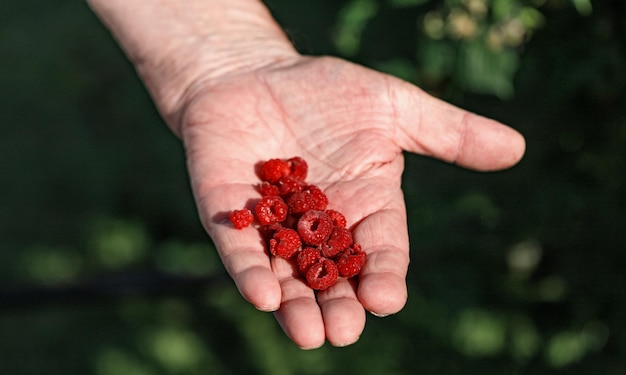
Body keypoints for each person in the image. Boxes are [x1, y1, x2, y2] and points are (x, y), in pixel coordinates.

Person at [86, 0, 525, 349]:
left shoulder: (309, 221)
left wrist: (229, 57)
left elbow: (306, 225)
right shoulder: (291, 211)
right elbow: (291, 216)